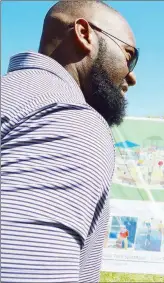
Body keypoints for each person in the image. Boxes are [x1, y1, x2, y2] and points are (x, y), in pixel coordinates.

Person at [1, 1, 137, 282]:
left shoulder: (14, 96)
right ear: (85, 34)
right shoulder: (68, 118)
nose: (131, 76)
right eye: (129, 56)